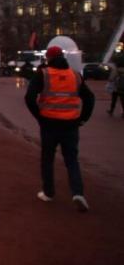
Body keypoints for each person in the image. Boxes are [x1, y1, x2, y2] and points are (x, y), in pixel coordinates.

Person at [25, 46, 95, 212]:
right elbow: (90, 98)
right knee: (71, 160)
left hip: (49, 123)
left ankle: (49, 192)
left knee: (47, 158)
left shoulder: (43, 74)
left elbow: (29, 97)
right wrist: (83, 118)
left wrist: (39, 116)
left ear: (48, 58)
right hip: (71, 124)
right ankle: (78, 193)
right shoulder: (75, 75)